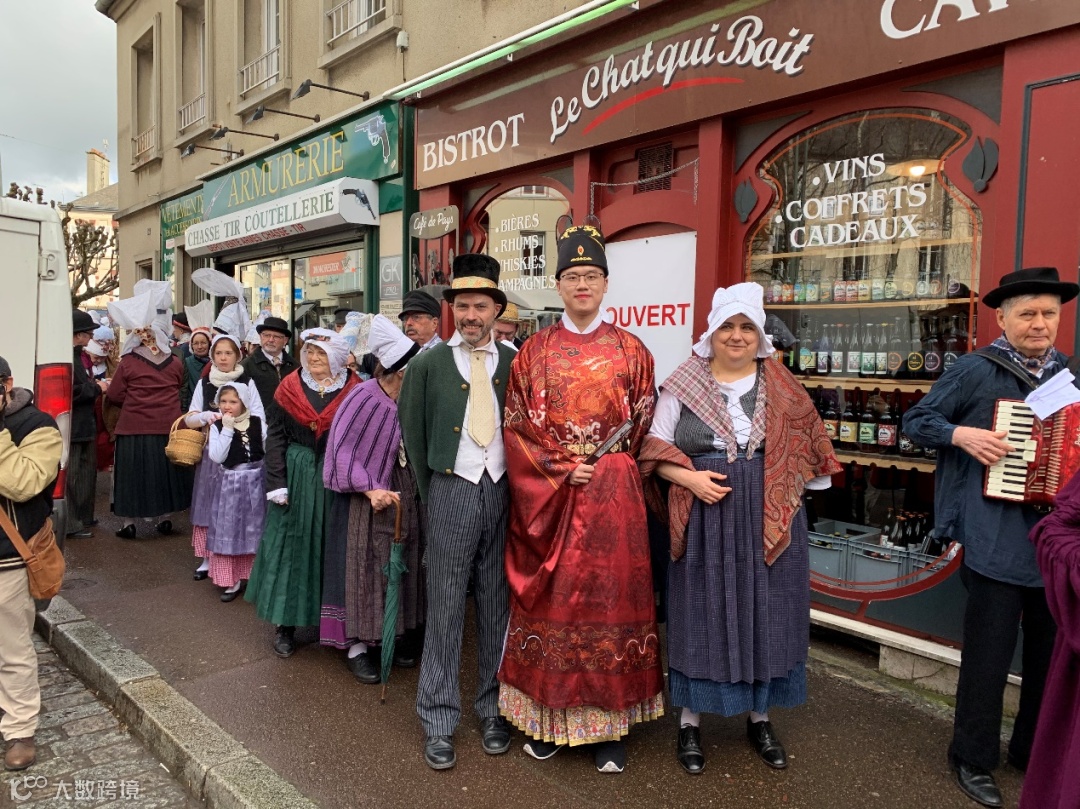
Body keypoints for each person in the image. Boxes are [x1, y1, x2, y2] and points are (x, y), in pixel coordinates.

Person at [638, 283, 840, 775]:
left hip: (767, 513)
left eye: (747, 327)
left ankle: (760, 717)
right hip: (704, 512)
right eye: (727, 326)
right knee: (700, 610)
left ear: (760, 335)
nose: (737, 336)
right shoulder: (682, 383)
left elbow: (812, 451)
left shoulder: (784, 386)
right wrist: (689, 478)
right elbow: (652, 450)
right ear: (711, 332)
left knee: (765, 609)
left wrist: (783, 485)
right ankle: (690, 721)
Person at [904, 266, 1079, 808]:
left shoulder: (1070, 375)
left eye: (1049, 313)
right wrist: (961, 434)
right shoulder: (975, 370)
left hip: (1056, 543)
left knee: (1050, 659)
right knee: (988, 657)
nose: (1039, 323)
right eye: (1027, 313)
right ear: (1002, 318)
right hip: (994, 535)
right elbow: (916, 421)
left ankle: (1031, 751)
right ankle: (972, 757)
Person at [498, 222, 663, 774]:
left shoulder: (632, 350)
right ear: (559, 284)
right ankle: (550, 721)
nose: (583, 285)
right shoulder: (533, 351)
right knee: (556, 606)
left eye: (592, 275)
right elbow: (517, 426)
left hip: (614, 497)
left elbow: (643, 421)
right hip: (556, 496)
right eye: (573, 276)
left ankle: (611, 727)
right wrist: (563, 468)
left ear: (606, 284)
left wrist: (610, 467)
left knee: (612, 607)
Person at [399, 254, 517, 771]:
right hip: (451, 487)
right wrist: (436, 493)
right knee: (446, 604)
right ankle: (439, 717)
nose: (471, 315)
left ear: (496, 310)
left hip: (504, 490)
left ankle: (493, 708)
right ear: (452, 310)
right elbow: (413, 434)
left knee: (497, 603)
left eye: (481, 306)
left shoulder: (514, 361)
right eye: (463, 306)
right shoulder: (426, 365)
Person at [321, 315, 425, 682]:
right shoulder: (362, 396)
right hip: (363, 499)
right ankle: (357, 647)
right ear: (400, 371)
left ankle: (391, 636)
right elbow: (340, 450)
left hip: (403, 490)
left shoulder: (411, 400)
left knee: (399, 563)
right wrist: (369, 488)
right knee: (364, 567)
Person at [246, 329, 359, 658]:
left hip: (336, 477)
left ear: (337, 358)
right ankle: (286, 624)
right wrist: (277, 482)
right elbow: (276, 437)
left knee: (332, 548)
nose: (313, 358)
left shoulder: (354, 388)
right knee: (293, 548)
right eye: (309, 351)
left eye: (321, 353)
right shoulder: (289, 387)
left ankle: (333, 621)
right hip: (297, 475)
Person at [0, 355, 63, 771]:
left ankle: (19, 728)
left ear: (6, 385)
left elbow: (23, 484)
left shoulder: (38, 426)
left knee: (12, 647)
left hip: (10, 555)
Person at [106, 291, 193, 539]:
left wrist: (133, 402)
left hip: (133, 426)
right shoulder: (175, 362)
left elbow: (114, 394)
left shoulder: (128, 363)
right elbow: (179, 386)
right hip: (168, 426)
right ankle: (165, 518)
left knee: (132, 477)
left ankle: (128, 523)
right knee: (165, 475)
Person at [1019, 470, 1080, 808]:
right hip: (1001, 543)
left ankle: (1023, 750)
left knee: (1040, 659)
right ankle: (972, 757)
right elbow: (1059, 527)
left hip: (1047, 580)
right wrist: (958, 441)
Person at [185, 334, 264, 582]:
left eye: (228, 353)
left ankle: (240, 560)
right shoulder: (205, 382)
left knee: (235, 508)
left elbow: (259, 415)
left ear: (237, 356)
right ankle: (208, 558)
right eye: (218, 353)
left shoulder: (247, 382)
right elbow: (190, 417)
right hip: (214, 452)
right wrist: (204, 417)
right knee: (210, 502)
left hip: (240, 453)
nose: (223, 358)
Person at [204, 382, 267, 602]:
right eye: (223, 401)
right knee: (231, 528)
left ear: (244, 402)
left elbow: (267, 449)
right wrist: (228, 429)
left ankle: (256, 577)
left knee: (256, 528)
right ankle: (232, 580)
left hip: (257, 481)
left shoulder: (258, 423)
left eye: (233, 401)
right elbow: (217, 456)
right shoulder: (218, 426)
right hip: (231, 482)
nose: (227, 406)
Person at [67, 309, 107, 538]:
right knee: (73, 475)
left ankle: (83, 518)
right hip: (74, 425)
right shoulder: (68, 358)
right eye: (89, 333)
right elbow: (71, 392)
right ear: (78, 334)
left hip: (83, 424)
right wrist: (97, 388)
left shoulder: (76, 356)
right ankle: (72, 523)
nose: (91, 337)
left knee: (85, 473)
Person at [241, 316, 298, 425]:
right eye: (266, 335)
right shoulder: (246, 366)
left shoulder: (295, 366)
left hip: (289, 426)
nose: (271, 340)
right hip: (259, 425)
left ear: (285, 340)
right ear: (260, 337)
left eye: (276, 336)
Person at [181, 330, 212, 412]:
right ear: (191, 346)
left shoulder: (216, 363)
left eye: (203, 343)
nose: (199, 347)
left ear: (209, 344)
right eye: (196, 343)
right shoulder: (186, 363)